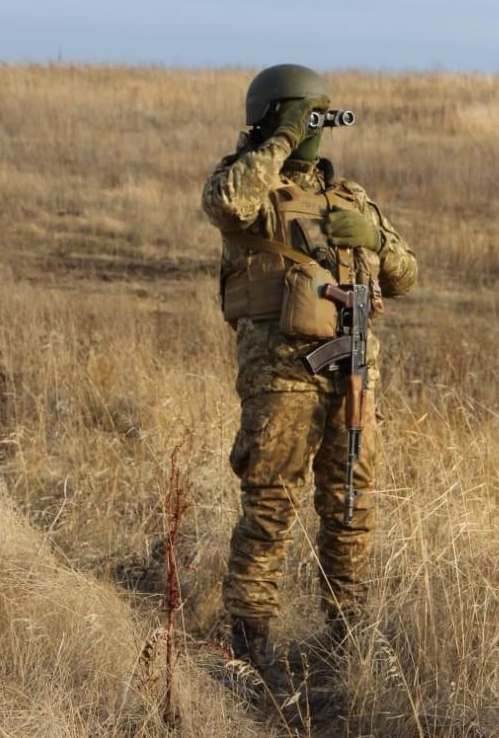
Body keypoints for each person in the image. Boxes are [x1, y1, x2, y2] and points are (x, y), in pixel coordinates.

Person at [201, 64, 417, 684]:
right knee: (269, 506)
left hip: (350, 374)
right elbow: (223, 203)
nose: (317, 129)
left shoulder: (349, 197)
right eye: (306, 115)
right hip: (281, 379)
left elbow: (405, 276)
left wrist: (374, 233)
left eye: (319, 117)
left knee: (350, 504)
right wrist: (279, 140)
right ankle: (248, 646)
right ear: (276, 116)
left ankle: (346, 636)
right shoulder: (251, 189)